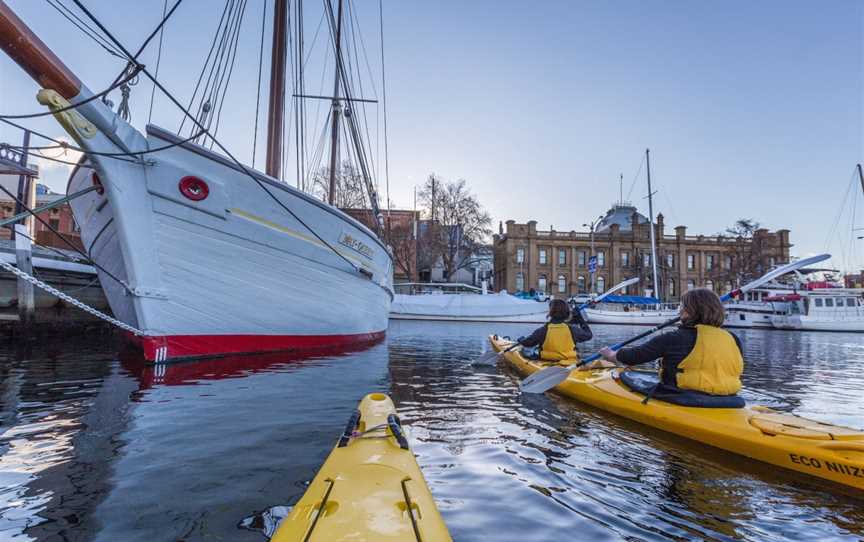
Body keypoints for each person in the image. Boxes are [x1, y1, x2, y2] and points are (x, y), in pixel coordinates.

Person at [598, 288, 743, 396]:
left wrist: (611, 355)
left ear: (689, 311)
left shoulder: (674, 338)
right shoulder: (733, 339)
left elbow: (635, 356)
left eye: (682, 307)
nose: (680, 311)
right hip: (729, 398)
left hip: (683, 397)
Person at [518, 299, 592, 364]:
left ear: (551, 313)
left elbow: (528, 343)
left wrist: (521, 340)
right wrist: (580, 318)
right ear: (567, 314)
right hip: (570, 362)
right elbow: (589, 335)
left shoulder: (543, 330)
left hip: (547, 361)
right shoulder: (573, 330)